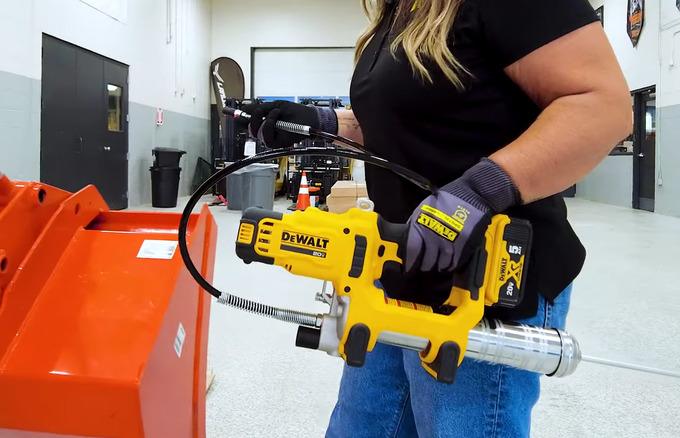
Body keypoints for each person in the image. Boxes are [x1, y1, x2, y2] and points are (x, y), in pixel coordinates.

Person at [240, 0, 631, 436]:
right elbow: (415, 122)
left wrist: (479, 191)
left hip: (486, 281)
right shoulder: (400, 11)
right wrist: (323, 123)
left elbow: (603, 106)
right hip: (400, 272)